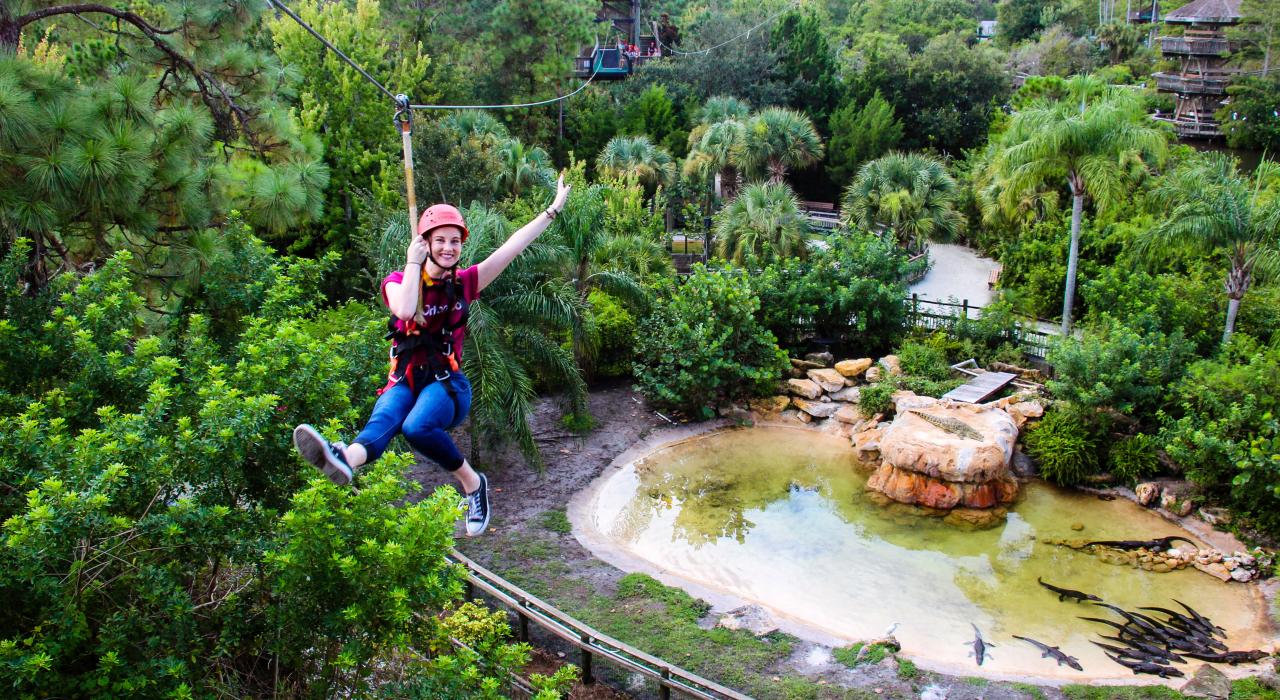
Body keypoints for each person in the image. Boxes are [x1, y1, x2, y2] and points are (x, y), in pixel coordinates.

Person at [293, 176, 572, 537]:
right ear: (425, 243)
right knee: (381, 426)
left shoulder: (465, 283)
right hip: (405, 380)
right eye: (439, 240)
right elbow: (406, 310)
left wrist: (552, 211)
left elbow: (511, 247)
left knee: (415, 427)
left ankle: (473, 485)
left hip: (447, 386)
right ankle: (344, 460)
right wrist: (413, 263)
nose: (448, 247)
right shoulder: (397, 281)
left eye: (454, 241)